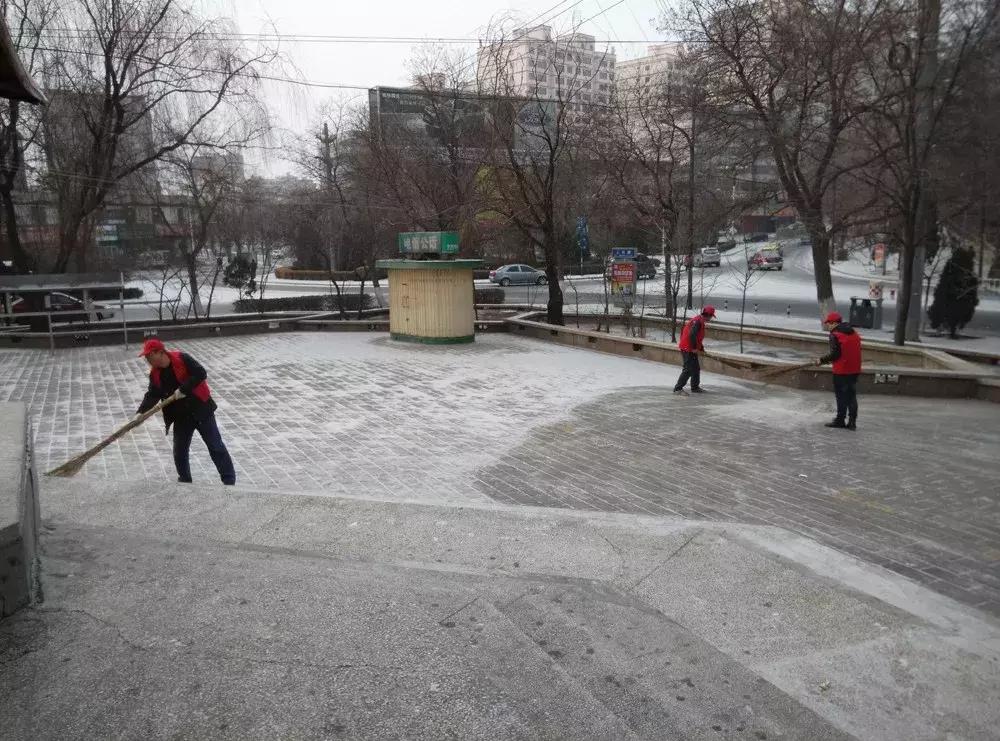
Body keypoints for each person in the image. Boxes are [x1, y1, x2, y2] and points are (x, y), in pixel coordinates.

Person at [136, 338, 236, 485]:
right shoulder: (155, 374)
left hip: (201, 410)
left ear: (160, 352)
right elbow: (153, 394)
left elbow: (201, 373)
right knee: (179, 452)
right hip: (181, 417)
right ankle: (185, 481)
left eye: (149, 356)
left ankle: (229, 481)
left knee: (215, 446)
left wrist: (184, 389)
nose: (147, 359)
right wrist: (140, 412)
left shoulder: (182, 358)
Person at [816, 311, 862, 430]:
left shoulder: (835, 334)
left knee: (841, 396)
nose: (828, 326)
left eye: (829, 323)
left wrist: (821, 360)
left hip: (842, 370)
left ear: (835, 323)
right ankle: (852, 422)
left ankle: (840, 420)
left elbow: (835, 354)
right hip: (855, 369)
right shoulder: (853, 332)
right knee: (851, 395)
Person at [673, 305, 716, 394]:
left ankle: (695, 387)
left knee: (696, 368)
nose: (711, 318)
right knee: (688, 369)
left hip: (690, 347)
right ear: (708, 315)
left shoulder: (699, 321)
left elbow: (697, 338)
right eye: (711, 316)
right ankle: (678, 389)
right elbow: (692, 335)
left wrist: (701, 349)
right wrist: (693, 348)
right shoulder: (697, 322)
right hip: (687, 348)